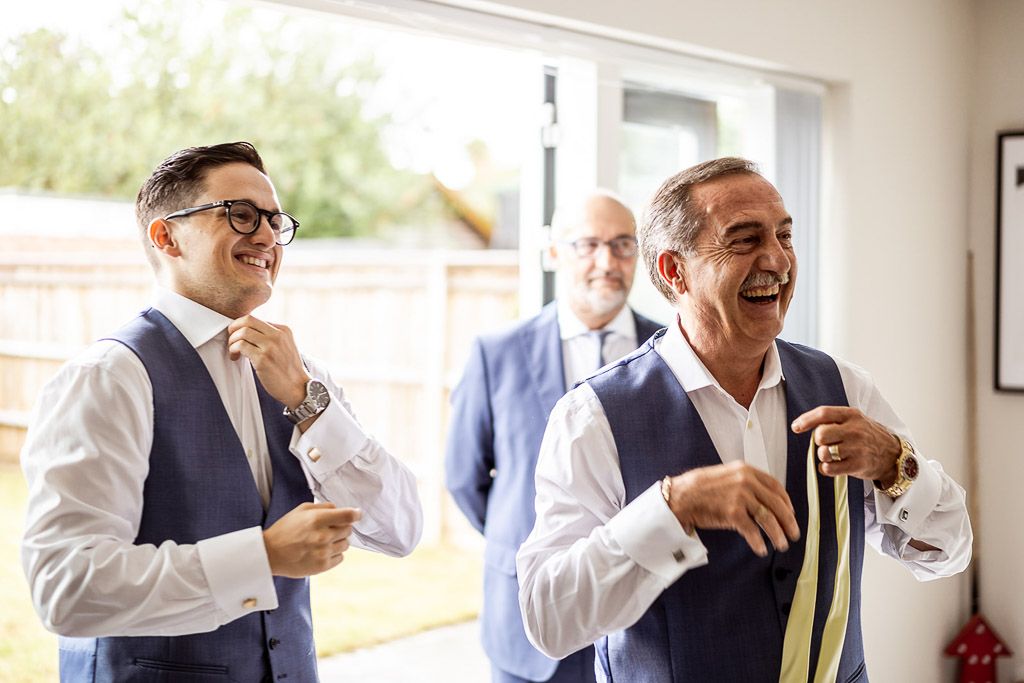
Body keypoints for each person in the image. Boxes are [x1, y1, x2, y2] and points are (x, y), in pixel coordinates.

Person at [516, 158, 973, 682]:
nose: (777, 260)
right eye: (744, 240)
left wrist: (897, 464)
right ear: (673, 270)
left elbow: (948, 551)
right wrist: (672, 510)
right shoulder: (593, 417)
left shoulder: (845, 388)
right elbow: (548, 620)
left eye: (784, 236)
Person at [20, 141, 423, 682]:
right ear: (165, 236)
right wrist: (261, 558)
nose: (265, 235)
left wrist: (308, 402)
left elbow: (400, 529)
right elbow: (66, 587)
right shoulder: (110, 377)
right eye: (240, 214)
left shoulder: (303, 378)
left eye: (275, 221)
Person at [445, 190, 662, 683]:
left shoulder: (670, 351)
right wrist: (532, 539)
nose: (606, 261)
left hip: (645, 619)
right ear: (554, 253)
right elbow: (464, 478)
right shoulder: (495, 353)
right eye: (587, 244)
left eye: (623, 245)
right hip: (528, 622)